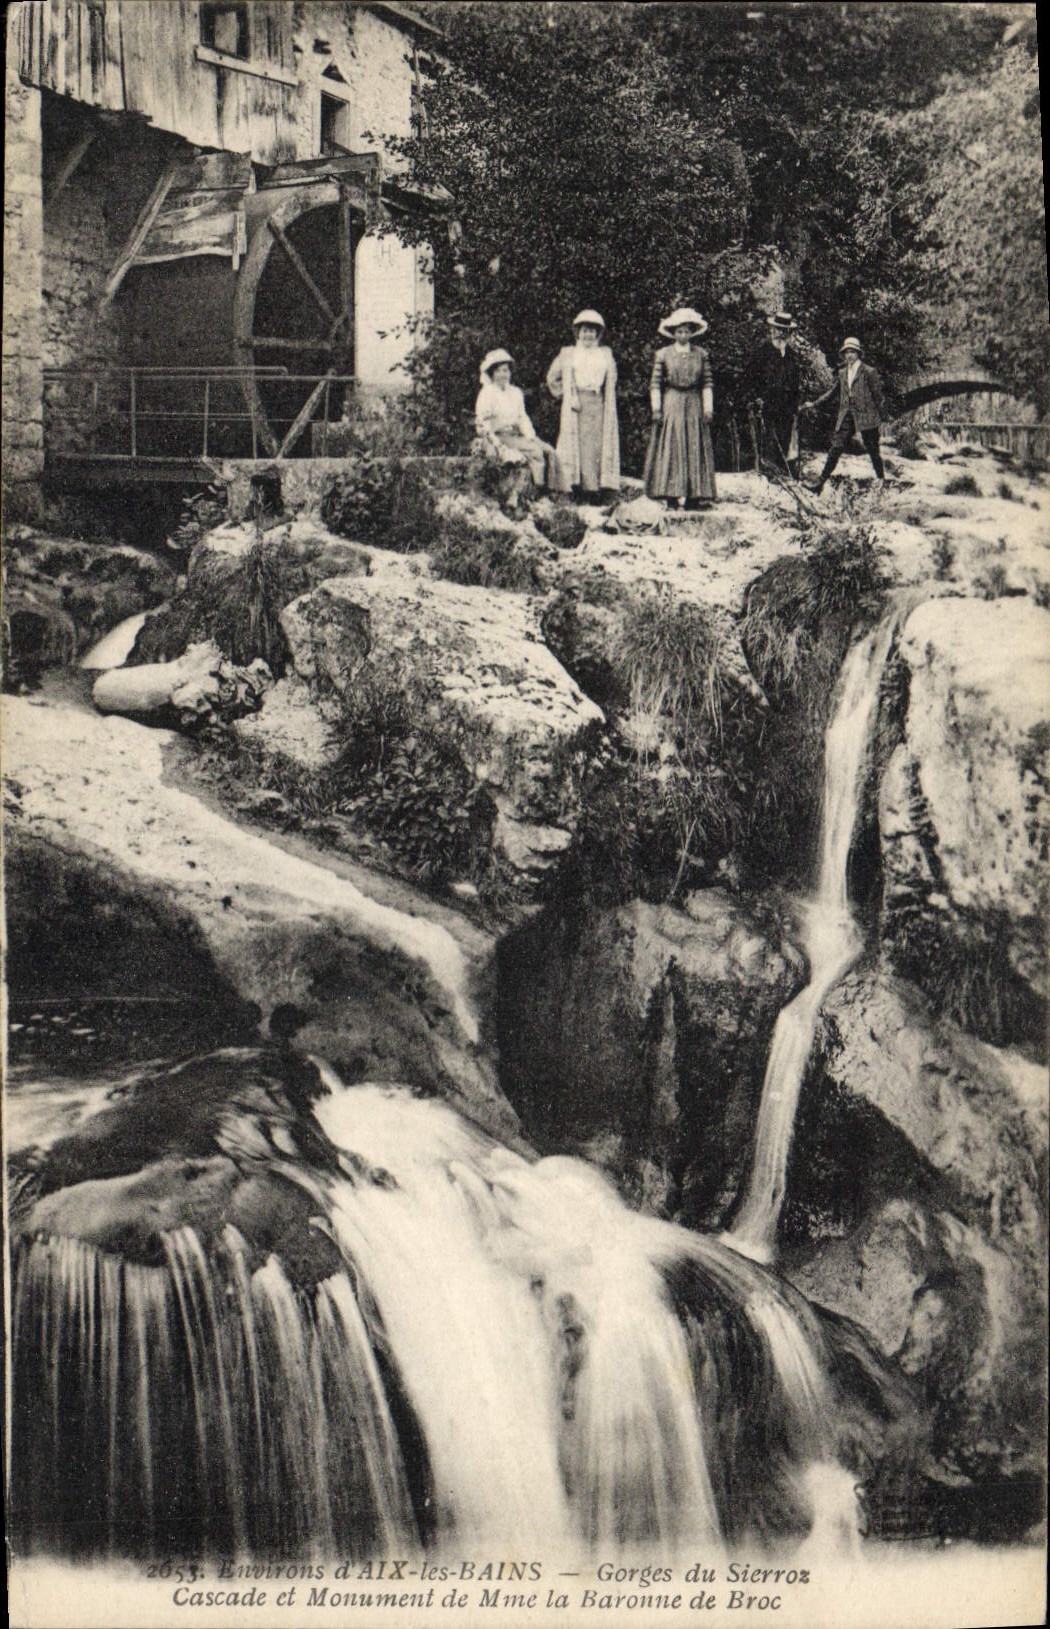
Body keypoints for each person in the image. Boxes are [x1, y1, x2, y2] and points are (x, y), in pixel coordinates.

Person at [644, 308, 717, 507]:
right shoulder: (664, 354)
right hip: (672, 401)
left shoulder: (700, 354)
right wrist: (656, 408)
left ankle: (695, 496)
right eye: (679, 331)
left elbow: (707, 382)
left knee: (694, 443)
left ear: (692, 333)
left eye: (686, 331)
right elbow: (655, 383)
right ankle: (671, 495)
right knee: (673, 444)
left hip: (694, 401)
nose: (683, 335)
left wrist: (708, 408)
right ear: (673, 333)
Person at [546, 309, 621, 500]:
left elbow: (611, 380)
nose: (588, 335)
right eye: (585, 330)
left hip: (598, 403)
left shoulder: (605, 354)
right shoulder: (569, 353)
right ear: (578, 332)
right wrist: (568, 394)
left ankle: (595, 489)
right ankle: (575, 488)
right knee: (576, 445)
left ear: (598, 333)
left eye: (592, 331)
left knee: (596, 446)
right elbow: (552, 378)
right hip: (576, 405)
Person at [801, 337, 886, 492]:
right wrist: (813, 404)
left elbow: (878, 397)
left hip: (867, 416)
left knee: (873, 450)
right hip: (847, 415)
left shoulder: (869, 371)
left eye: (852, 352)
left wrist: (882, 418)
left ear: (858, 353)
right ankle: (820, 483)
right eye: (847, 352)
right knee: (836, 447)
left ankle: (882, 481)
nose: (849, 355)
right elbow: (832, 393)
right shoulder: (842, 373)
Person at [475, 348, 560, 489]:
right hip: (496, 437)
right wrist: (495, 442)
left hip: (514, 436)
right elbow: (483, 422)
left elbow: (522, 417)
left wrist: (531, 437)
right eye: (499, 371)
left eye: (506, 370)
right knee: (533, 453)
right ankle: (533, 488)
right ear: (492, 373)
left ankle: (541, 488)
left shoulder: (515, 392)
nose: (503, 374)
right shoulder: (487, 393)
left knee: (543, 450)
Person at [748, 312, 802, 480]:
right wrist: (757, 396)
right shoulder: (762, 352)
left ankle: (781, 471)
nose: (781, 334)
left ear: (789, 333)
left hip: (787, 405)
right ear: (772, 329)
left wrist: (796, 405)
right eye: (778, 329)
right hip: (767, 402)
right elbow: (751, 376)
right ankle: (768, 472)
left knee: (784, 436)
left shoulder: (791, 355)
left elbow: (795, 382)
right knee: (768, 437)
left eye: (785, 331)